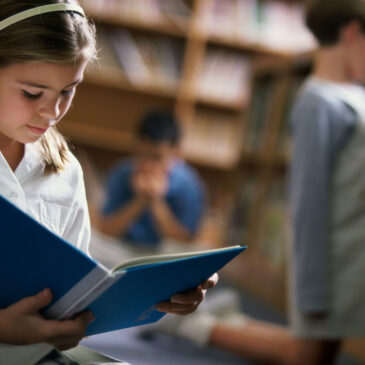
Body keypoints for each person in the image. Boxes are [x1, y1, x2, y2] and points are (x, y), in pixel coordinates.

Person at [0, 2, 217, 364]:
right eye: (33, 93)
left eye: (68, 91)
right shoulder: (120, 175)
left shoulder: (64, 170)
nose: (52, 113)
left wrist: (165, 289)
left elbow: (73, 292)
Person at [151, 0, 365, 364]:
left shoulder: (355, 95)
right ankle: (193, 326)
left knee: (319, 350)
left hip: (355, 253)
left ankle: (220, 319)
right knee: (309, 355)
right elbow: (307, 203)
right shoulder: (319, 101)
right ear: (352, 33)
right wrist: (310, 292)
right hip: (335, 258)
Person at [98, 110, 205, 249]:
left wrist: (156, 202)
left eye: (157, 158)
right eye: (142, 155)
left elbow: (185, 242)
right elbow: (106, 231)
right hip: (122, 252)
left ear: (176, 152)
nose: (147, 165)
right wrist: (140, 201)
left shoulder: (189, 185)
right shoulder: (121, 174)